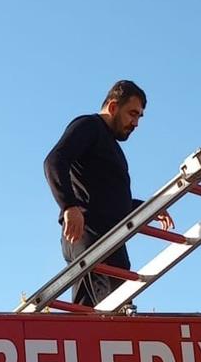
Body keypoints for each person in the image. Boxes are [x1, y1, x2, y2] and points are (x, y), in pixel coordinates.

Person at [43, 80, 173, 308]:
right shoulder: (89, 126)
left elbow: (110, 199)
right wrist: (69, 206)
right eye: (132, 114)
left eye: (140, 117)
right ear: (113, 107)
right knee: (118, 311)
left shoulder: (111, 146)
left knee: (87, 315)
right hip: (92, 236)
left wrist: (148, 208)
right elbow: (55, 160)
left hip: (107, 237)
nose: (135, 123)